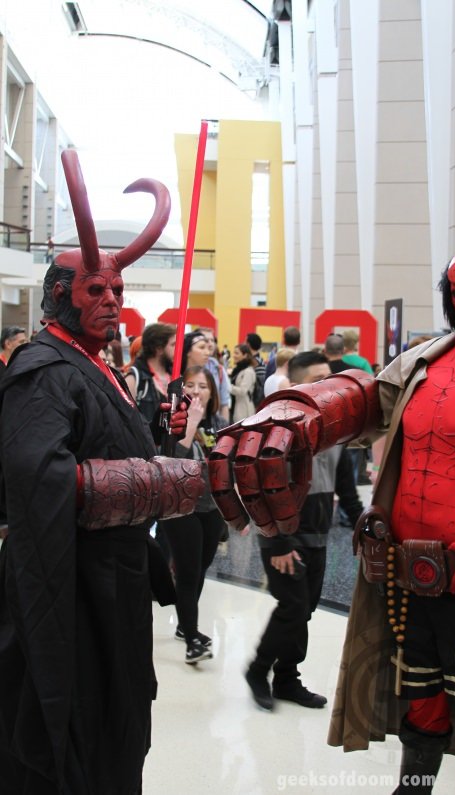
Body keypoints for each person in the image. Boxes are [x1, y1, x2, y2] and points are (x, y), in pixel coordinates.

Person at [208, 245, 455, 795]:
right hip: (406, 566)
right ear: (449, 301)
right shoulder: (423, 363)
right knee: (420, 692)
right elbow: (363, 401)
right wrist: (298, 409)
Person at [0, 150, 204, 795]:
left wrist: (159, 443)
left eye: (118, 289)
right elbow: (38, 479)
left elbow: (110, 447)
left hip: (115, 587)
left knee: (120, 721)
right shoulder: (42, 371)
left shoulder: (100, 368)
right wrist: (153, 482)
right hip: (73, 589)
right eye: (96, 290)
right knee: (77, 735)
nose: (112, 300)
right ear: (61, 297)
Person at [244, 351, 364, 711]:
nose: (328, 385)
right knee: (293, 606)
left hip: (317, 535)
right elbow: (259, 487)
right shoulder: (273, 429)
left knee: (305, 609)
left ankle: (286, 679)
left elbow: (347, 489)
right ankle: (258, 670)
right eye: (318, 378)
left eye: (329, 377)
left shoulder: (335, 427)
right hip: (280, 535)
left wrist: (365, 525)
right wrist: (280, 541)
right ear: (295, 385)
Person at [160, 365, 228, 664]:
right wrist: (192, 423)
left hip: (211, 507)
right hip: (181, 507)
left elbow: (227, 469)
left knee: (201, 568)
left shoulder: (221, 423)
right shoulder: (171, 421)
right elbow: (174, 461)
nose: (197, 391)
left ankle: (187, 626)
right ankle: (192, 639)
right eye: (191, 385)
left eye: (204, 386)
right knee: (187, 573)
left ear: (212, 392)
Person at [124, 322, 176, 422]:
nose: (178, 349)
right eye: (173, 345)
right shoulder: (134, 379)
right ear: (159, 349)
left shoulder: (175, 376)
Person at [197, 326, 230, 420]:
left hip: (213, 424)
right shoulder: (186, 368)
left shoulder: (218, 368)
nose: (210, 344)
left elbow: (224, 404)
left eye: (212, 340)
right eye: (206, 340)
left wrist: (224, 431)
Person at [229, 342, 256, 421]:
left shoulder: (248, 372)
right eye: (234, 353)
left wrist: (227, 386)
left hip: (244, 410)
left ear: (245, 355)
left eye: (237, 353)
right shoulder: (238, 370)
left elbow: (242, 391)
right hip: (236, 407)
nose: (234, 355)